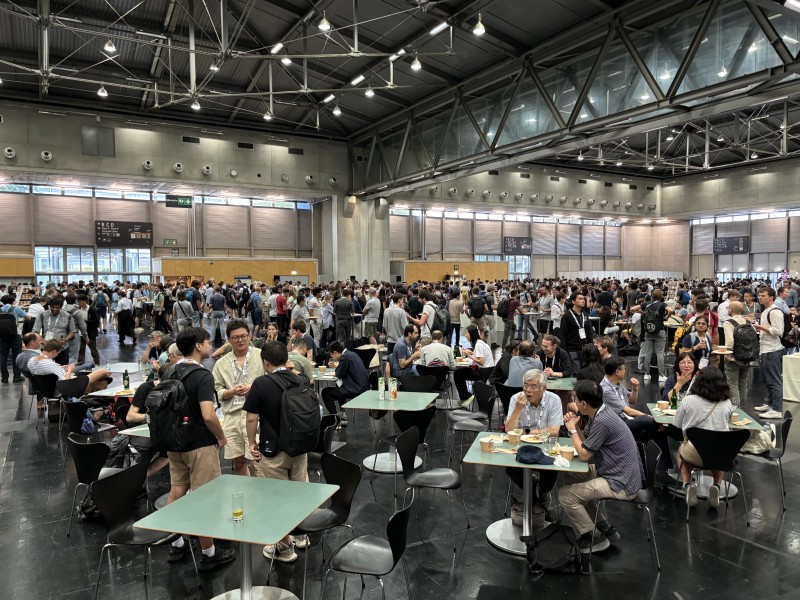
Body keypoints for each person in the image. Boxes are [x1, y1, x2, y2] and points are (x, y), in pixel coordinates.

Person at [164, 327, 235, 570]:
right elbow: (208, 414)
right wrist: (221, 436)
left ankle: (178, 542)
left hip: (174, 443)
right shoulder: (202, 375)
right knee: (206, 498)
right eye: (207, 342)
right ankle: (209, 552)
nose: (210, 346)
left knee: (177, 492)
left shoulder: (170, 371)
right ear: (197, 346)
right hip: (200, 445)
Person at [245, 341, 313, 563]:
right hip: (300, 447)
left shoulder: (261, 384)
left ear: (265, 362)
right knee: (299, 494)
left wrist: (251, 443)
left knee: (274, 499)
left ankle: (284, 547)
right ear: (286, 359)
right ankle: (301, 535)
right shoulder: (300, 379)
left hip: (272, 450)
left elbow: (252, 417)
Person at [559, 380, 644, 554]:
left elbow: (583, 455)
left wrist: (572, 430)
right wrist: (575, 426)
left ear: (583, 404)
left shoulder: (602, 421)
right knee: (569, 477)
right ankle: (604, 526)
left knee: (566, 495)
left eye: (575, 399)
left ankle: (592, 537)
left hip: (621, 482)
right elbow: (586, 445)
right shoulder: (600, 413)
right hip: (616, 472)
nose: (573, 402)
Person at [504, 369, 563, 526]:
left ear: (544, 388)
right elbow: (509, 430)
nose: (528, 390)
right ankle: (535, 498)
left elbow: (554, 430)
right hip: (521, 446)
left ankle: (544, 492)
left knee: (550, 471)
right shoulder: (516, 399)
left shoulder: (554, 400)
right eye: (525, 385)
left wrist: (528, 431)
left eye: (533, 386)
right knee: (510, 468)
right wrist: (517, 409)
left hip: (544, 445)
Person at [599, 356, 673, 480]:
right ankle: (668, 429)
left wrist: (635, 389)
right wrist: (649, 416)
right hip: (617, 426)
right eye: (624, 369)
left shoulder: (616, 384)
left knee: (658, 432)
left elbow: (632, 400)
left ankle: (662, 472)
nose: (626, 371)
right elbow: (628, 410)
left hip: (627, 421)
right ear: (617, 372)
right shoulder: (605, 389)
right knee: (647, 420)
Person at [674, 367, 734, 510]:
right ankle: (717, 486)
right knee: (718, 453)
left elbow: (677, 424)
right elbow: (728, 424)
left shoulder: (688, 401)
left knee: (681, 452)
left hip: (694, 453)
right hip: (720, 454)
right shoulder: (727, 403)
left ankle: (687, 484)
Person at [212, 319, 266, 477]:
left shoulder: (262, 356)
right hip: (232, 416)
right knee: (239, 461)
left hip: (258, 416)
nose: (240, 340)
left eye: (243, 336)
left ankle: (261, 494)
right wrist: (231, 392)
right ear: (229, 340)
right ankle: (247, 494)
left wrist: (254, 388)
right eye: (235, 337)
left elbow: (272, 380)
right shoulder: (221, 363)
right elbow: (217, 390)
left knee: (258, 460)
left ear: (250, 337)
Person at [753, 287, 785, 420]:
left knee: (774, 381)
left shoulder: (775, 312)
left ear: (771, 297)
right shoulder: (766, 310)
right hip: (765, 349)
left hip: (773, 350)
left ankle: (777, 409)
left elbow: (778, 331)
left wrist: (759, 327)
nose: (760, 297)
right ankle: (769, 404)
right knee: (766, 380)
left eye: (763, 295)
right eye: (759, 295)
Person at [320, 341, 370, 426]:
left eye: (331, 355)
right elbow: (345, 369)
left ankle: (334, 418)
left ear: (335, 352)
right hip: (362, 386)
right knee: (338, 385)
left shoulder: (344, 357)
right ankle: (342, 414)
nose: (332, 357)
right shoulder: (351, 354)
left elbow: (339, 374)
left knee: (326, 393)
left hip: (356, 388)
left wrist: (336, 369)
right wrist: (336, 367)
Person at [631, 289, 672, 383]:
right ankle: (661, 375)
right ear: (661, 296)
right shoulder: (662, 305)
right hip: (660, 331)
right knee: (660, 353)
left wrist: (644, 313)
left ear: (652, 295)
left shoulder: (646, 304)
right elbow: (671, 310)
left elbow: (632, 309)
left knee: (648, 353)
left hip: (648, 332)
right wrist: (666, 317)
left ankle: (646, 374)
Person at [454, 325, 495, 404]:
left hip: (483, 372)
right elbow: (481, 357)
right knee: (460, 372)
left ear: (471, 334)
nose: (465, 335)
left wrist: (469, 355)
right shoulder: (480, 342)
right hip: (488, 370)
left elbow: (481, 361)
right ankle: (466, 395)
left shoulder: (478, 344)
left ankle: (465, 396)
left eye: (467, 333)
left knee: (457, 374)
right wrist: (472, 353)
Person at [722, 300, 752, 407]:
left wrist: (727, 354)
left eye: (728, 308)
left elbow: (730, 341)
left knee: (732, 385)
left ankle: (735, 410)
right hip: (748, 357)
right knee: (743, 384)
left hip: (734, 358)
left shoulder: (728, 322)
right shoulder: (748, 322)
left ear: (731, 309)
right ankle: (742, 409)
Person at [31, 296, 75, 364]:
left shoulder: (68, 316)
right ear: (49, 306)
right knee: (45, 368)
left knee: (62, 369)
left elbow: (72, 331)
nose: (54, 309)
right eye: (53, 307)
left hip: (62, 348)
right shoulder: (42, 315)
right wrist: (44, 342)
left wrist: (65, 340)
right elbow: (35, 331)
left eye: (57, 308)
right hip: (46, 348)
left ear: (61, 307)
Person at [560, 292, 593, 373]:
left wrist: (591, 345)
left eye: (583, 299)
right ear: (573, 302)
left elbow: (589, 331)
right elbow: (562, 334)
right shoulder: (567, 316)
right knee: (577, 373)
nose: (583, 301)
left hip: (585, 348)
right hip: (572, 349)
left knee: (586, 372)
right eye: (580, 299)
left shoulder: (585, 314)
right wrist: (564, 351)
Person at [0, 295, 29, 383]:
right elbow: (28, 317)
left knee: (2, 357)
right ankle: (16, 377)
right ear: (13, 301)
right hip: (14, 335)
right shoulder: (16, 309)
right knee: (16, 356)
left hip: (1, 336)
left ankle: (4, 378)